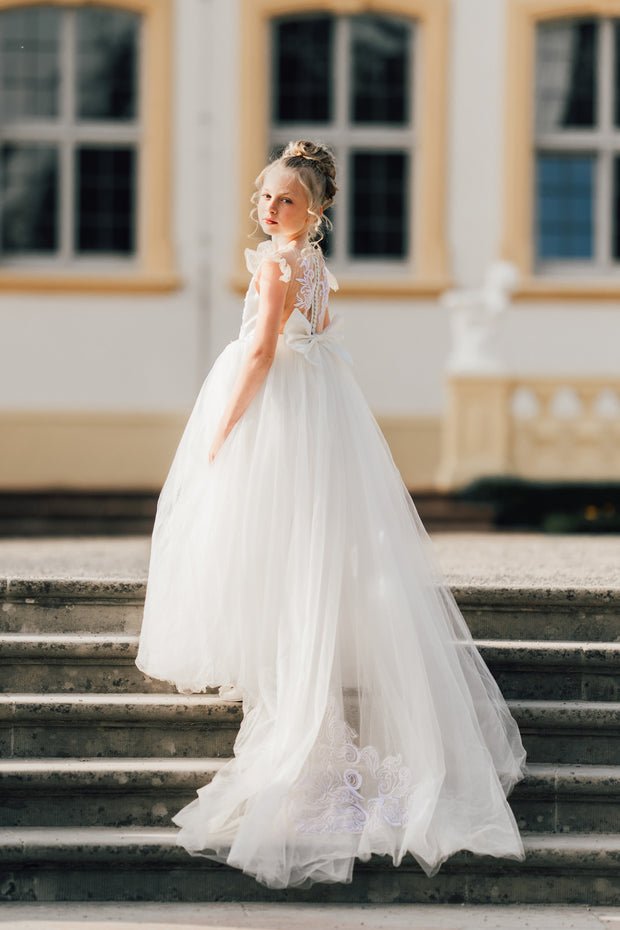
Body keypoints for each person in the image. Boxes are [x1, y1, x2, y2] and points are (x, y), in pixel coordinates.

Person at [136, 140, 526, 890]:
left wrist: (221, 429)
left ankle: (295, 718)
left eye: (285, 200)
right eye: (265, 197)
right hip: (314, 407)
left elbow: (259, 352)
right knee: (300, 543)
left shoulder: (282, 263)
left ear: (313, 211)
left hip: (282, 407)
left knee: (263, 537)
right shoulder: (309, 264)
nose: (270, 209)